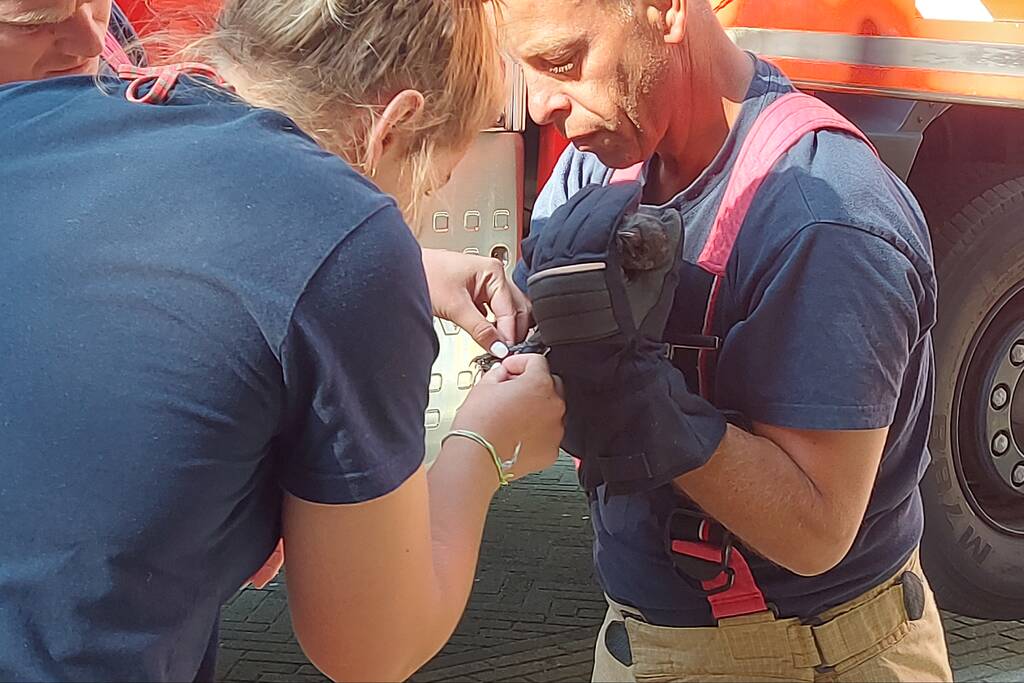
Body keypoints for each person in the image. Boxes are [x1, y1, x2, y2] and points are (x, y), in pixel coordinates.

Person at [0, 1, 565, 681]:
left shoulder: (36, 116)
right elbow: (369, 646)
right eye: (426, 187)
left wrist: (396, 269)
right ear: (394, 124)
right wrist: (486, 446)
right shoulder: (349, 235)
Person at [498, 0, 953, 680]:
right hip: (635, 641)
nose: (539, 106)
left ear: (665, 11)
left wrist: (634, 400)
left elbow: (815, 528)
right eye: (522, 69)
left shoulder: (826, 218)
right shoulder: (596, 167)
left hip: (814, 655)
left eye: (563, 63)